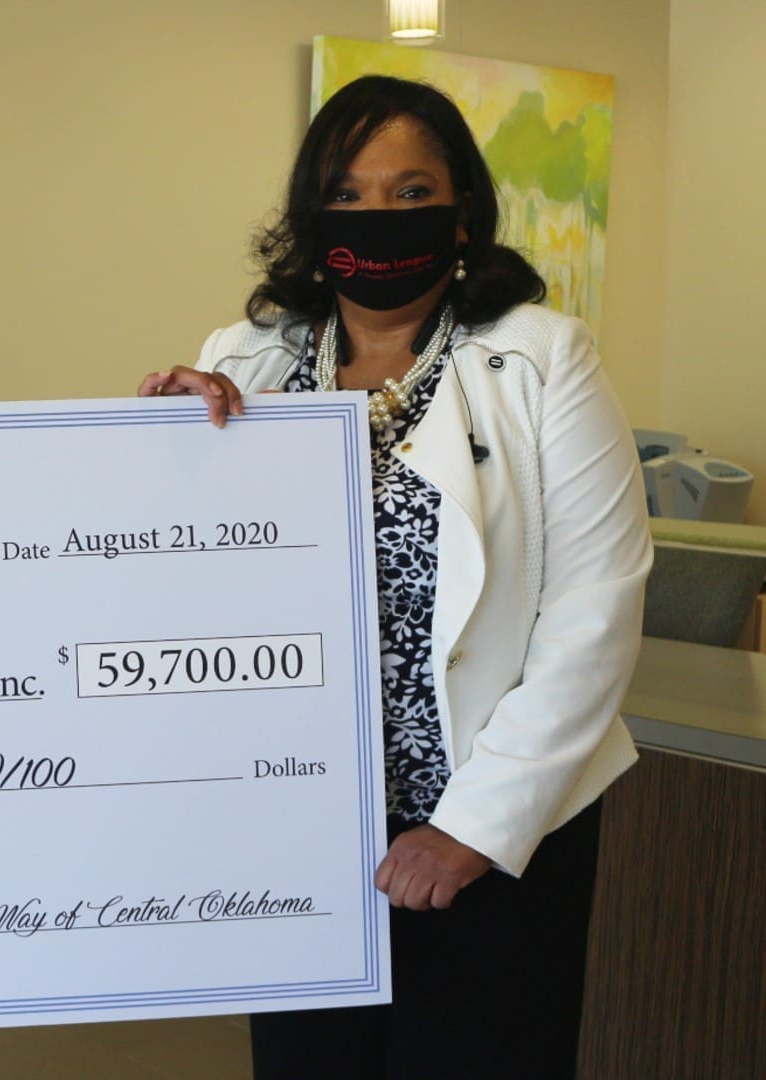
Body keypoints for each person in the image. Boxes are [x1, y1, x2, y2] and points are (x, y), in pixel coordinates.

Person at [140, 76, 650, 1077]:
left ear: (463, 211)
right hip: (302, 821)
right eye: (351, 193)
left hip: (493, 826)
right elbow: (190, 575)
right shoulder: (247, 358)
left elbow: (595, 606)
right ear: (310, 216)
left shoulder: (542, 359)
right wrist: (164, 445)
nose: (379, 220)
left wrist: (470, 830)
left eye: (412, 194)